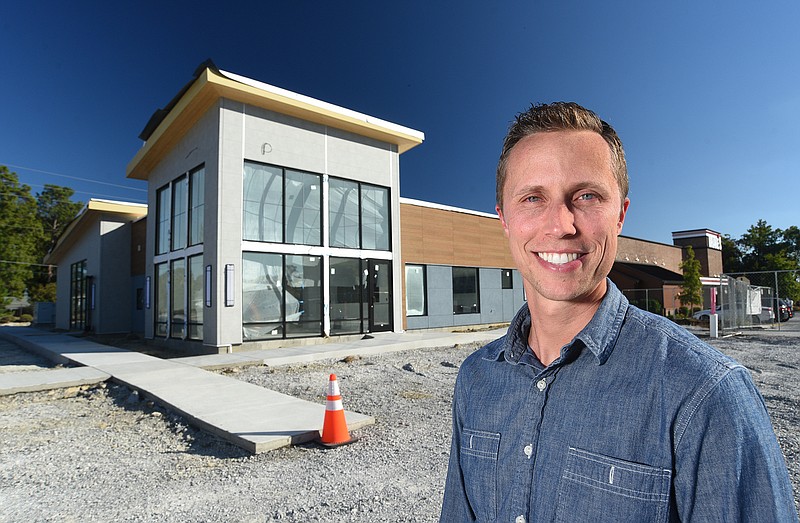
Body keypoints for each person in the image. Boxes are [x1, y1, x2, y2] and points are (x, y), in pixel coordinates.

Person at [440, 102, 798, 522]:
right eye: (533, 197)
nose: (561, 224)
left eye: (587, 196)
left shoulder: (705, 395)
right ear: (504, 217)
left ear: (621, 215)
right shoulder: (476, 378)